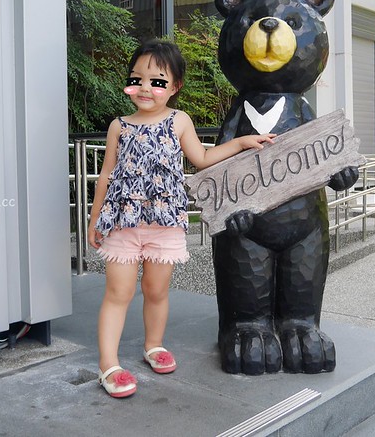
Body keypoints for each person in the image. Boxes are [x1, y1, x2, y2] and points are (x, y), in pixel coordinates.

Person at [88, 40, 275, 398]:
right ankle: (108, 365)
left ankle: (153, 345)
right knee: (118, 292)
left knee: (156, 291)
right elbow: (106, 175)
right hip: (121, 223)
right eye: (138, 78)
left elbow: (202, 159)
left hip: (165, 226)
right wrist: (95, 218)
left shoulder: (179, 121)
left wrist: (241, 142)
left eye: (157, 81)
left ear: (174, 88)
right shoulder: (119, 126)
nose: (146, 87)